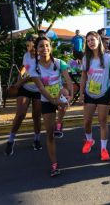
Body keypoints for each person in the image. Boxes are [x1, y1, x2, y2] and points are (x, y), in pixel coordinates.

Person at [29, 36, 73, 177]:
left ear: (51, 47)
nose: (44, 48)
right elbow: (41, 89)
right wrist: (54, 101)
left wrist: (69, 96)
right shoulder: (34, 68)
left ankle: (59, 123)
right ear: (36, 50)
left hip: (59, 96)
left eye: (47, 45)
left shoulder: (60, 63)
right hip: (47, 100)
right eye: (41, 46)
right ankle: (54, 165)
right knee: (49, 134)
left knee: (64, 91)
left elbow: (68, 82)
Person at [79, 31, 110, 161]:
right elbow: (84, 76)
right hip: (89, 93)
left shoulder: (108, 58)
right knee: (87, 121)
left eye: (92, 40)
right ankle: (89, 140)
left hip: (104, 94)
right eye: (88, 41)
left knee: (102, 122)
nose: (90, 42)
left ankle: (103, 148)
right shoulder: (86, 58)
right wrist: (81, 93)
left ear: (98, 40)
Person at [4, 35, 43, 156]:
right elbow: (25, 67)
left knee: (36, 116)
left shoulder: (43, 57)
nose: (27, 47)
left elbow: (34, 76)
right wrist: (20, 74)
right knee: (20, 114)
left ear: (35, 44)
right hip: (25, 89)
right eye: (26, 45)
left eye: (29, 45)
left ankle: (36, 140)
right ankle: (10, 141)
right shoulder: (26, 55)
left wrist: (20, 82)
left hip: (38, 89)